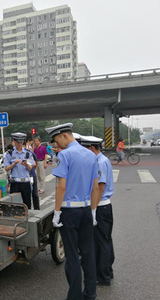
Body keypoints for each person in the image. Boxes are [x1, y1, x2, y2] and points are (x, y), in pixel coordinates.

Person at [45, 123, 99, 300]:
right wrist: (93, 210)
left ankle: (74, 296)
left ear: (65, 136)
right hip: (85, 210)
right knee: (88, 252)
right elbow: (95, 186)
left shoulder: (65, 155)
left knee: (72, 255)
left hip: (69, 211)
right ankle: (90, 293)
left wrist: (57, 211)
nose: (57, 144)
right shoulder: (91, 155)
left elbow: (61, 187)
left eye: (57, 140)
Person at [80, 135, 115, 286]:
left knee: (100, 243)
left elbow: (99, 188)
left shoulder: (100, 162)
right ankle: (107, 271)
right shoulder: (101, 160)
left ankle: (102, 276)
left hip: (100, 207)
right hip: (104, 206)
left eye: (85, 149)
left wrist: (92, 209)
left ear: (92, 148)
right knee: (105, 240)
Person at [4, 133, 33, 209]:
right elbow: (6, 168)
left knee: (27, 204)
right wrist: (14, 164)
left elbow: (31, 168)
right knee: (15, 205)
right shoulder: (9, 153)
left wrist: (26, 164)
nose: (19, 144)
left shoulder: (28, 153)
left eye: (21, 142)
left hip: (25, 182)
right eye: (18, 142)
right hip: (15, 182)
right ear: (14, 141)